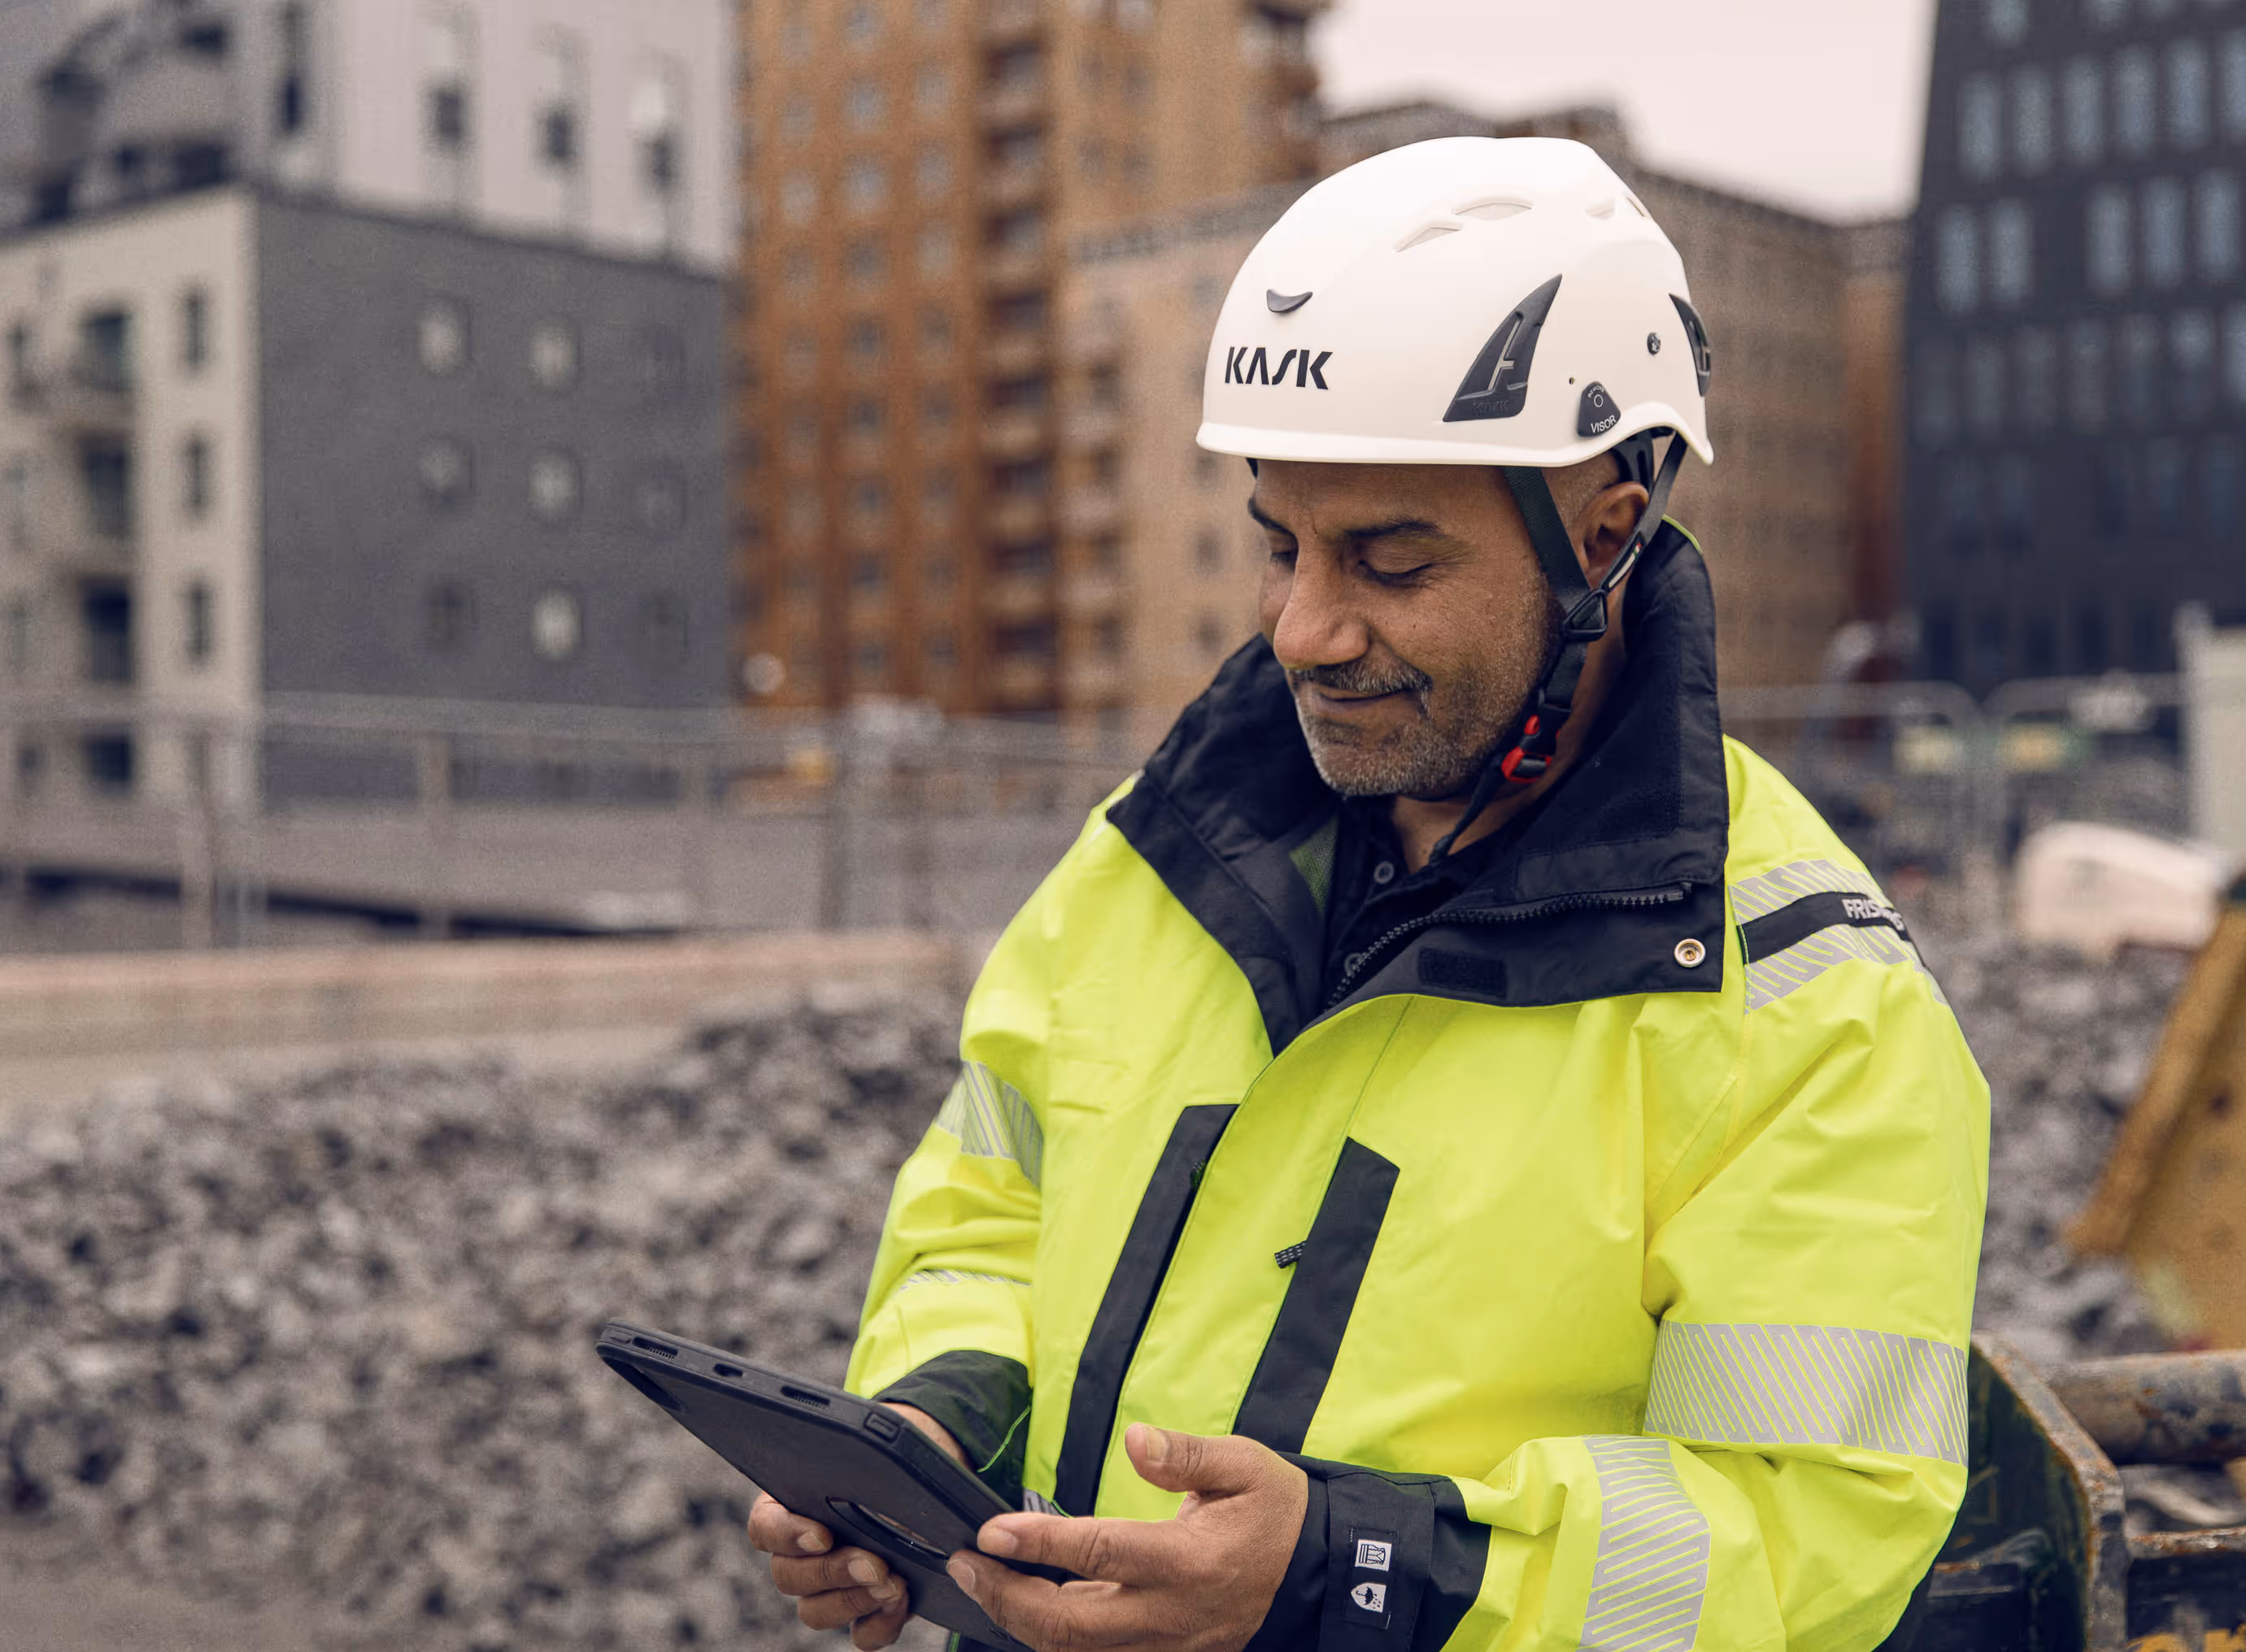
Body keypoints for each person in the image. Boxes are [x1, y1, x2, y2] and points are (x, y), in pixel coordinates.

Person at [751, 137, 1989, 1652]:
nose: (1303, 629)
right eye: (1279, 545)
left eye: (1390, 562)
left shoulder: (1806, 1001)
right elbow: (988, 1212)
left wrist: (1358, 1577)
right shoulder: (1156, 858)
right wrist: (932, 1437)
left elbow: (1816, 1531)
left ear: (1605, 535)